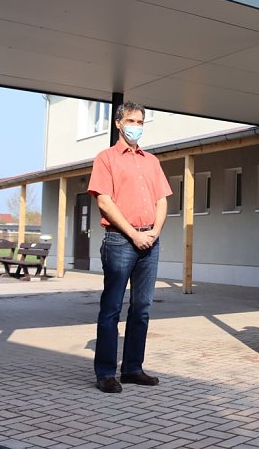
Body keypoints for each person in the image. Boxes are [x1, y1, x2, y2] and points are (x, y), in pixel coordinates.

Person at [87, 101, 172, 393]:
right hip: (120, 241)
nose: (136, 126)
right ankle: (106, 373)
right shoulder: (106, 158)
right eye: (132, 121)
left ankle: (133, 368)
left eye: (140, 122)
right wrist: (134, 234)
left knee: (142, 308)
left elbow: (162, 200)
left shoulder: (152, 161)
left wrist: (154, 232)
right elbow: (104, 201)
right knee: (111, 308)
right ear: (119, 123)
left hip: (150, 240)